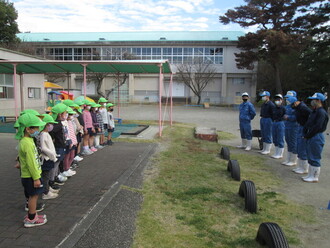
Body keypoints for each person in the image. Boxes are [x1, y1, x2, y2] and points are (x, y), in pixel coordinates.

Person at [16, 113, 48, 227]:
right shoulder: (27, 143)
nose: (38, 130)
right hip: (31, 176)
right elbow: (31, 163)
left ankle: (32, 214)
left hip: (29, 175)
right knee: (33, 196)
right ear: (28, 129)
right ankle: (31, 218)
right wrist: (36, 178)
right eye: (36, 128)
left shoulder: (26, 141)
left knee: (32, 196)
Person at [302, 93, 328, 182]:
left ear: (319, 101)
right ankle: (310, 174)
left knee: (315, 157)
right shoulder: (315, 111)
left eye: (314, 100)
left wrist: (308, 135)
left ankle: (314, 176)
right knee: (310, 155)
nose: (312, 101)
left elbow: (318, 126)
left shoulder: (321, 112)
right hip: (311, 134)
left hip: (316, 136)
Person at [39, 114, 59, 200]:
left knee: (47, 175)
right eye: (50, 124)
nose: (51, 126)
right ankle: (46, 192)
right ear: (46, 125)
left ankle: (47, 189)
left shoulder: (46, 133)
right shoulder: (43, 134)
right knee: (45, 176)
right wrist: (52, 155)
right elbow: (43, 148)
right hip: (46, 158)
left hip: (49, 158)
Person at [49, 103, 69, 187]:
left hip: (61, 146)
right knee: (55, 164)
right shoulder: (57, 123)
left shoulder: (59, 123)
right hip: (58, 146)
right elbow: (52, 132)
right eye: (65, 113)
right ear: (60, 114)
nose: (66, 114)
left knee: (57, 163)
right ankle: (52, 180)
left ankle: (55, 177)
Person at [290, 98, 312, 173]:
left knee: (303, 147)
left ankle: (304, 168)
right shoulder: (298, 108)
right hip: (300, 126)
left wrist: (307, 126)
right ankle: (300, 166)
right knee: (299, 147)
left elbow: (311, 116)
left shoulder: (303, 108)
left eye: (293, 103)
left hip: (303, 127)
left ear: (296, 102)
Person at [282, 91, 299, 166]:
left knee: (293, 142)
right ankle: (288, 158)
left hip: (294, 127)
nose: (287, 100)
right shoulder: (286, 107)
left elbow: (297, 117)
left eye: (288, 98)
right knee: (288, 141)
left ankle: (293, 160)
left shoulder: (296, 108)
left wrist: (288, 117)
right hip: (287, 126)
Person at [271, 94, 286, 159]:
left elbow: (285, 116)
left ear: (282, 100)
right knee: (275, 138)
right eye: (276, 99)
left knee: (280, 138)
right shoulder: (274, 107)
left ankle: (280, 154)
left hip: (280, 123)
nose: (277, 101)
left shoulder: (283, 108)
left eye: (279, 99)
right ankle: (276, 152)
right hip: (274, 122)